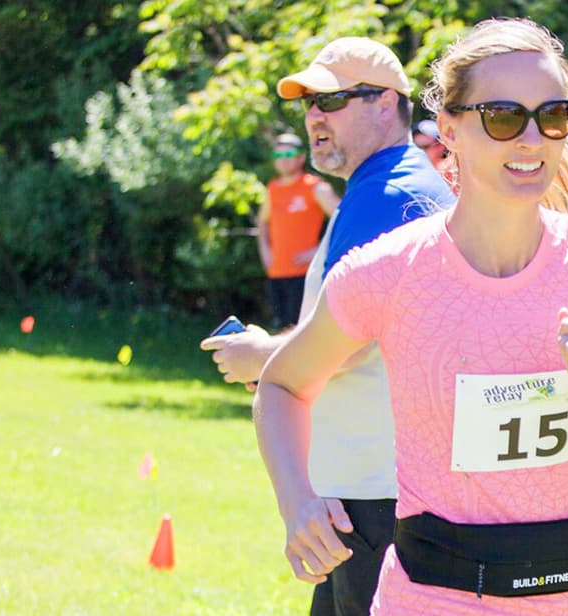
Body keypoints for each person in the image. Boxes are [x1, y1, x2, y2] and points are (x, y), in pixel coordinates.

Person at [253, 18, 568, 615]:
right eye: (504, 117)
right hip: (428, 598)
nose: (531, 140)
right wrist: (296, 502)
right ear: (448, 128)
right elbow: (282, 385)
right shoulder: (389, 270)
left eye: (552, 116)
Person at [200, 36, 457, 616]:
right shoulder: (386, 186)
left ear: (386, 103)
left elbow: (343, 346)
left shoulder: (388, 195)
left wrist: (263, 356)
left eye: (333, 100)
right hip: (374, 494)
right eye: (309, 103)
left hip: (379, 500)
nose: (315, 116)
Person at [259, 133, 339, 329]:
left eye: (289, 154)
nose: (284, 160)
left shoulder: (315, 187)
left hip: (305, 274)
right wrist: (265, 252)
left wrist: (319, 251)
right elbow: (263, 222)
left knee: (302, 332)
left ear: (301, 157)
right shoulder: (272, 189)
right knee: (281, 330)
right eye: (278, 156)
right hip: (277, 273)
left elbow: (344, 219)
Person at [413, 119, 458, 190]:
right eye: (416, 146)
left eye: (425, 147)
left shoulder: (450, 170)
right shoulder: (415, 171)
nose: (419, 151)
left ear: (441, 145)